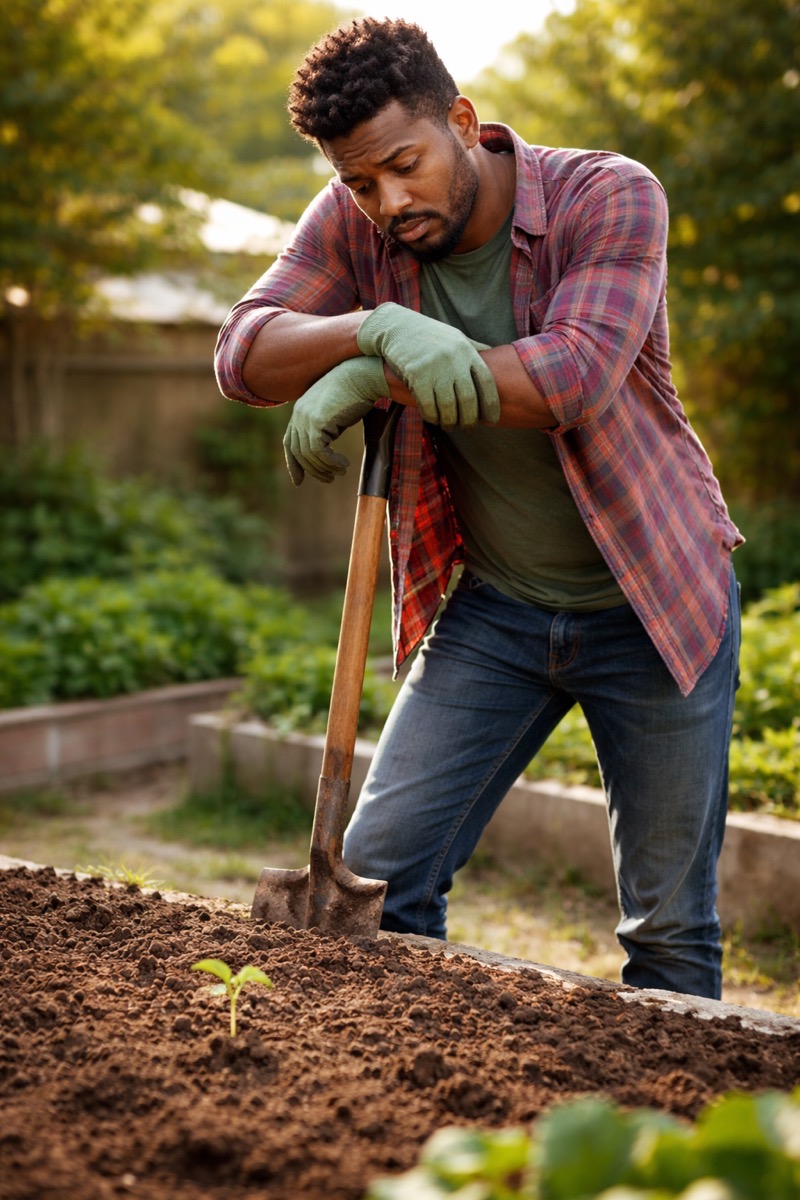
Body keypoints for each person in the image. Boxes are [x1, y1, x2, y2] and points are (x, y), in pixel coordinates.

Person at [215, 18, 743, 999]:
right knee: (379, 876)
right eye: (360, 181)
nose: (387, 200)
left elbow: (573, 376)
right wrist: (371, 326)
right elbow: (240, 354)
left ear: (460, 119)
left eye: (404, 165)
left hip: (654, 597)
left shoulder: (607, 193)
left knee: (668, 924)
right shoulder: (353, 216)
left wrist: (368, 374)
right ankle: (416, 1101)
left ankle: (673, 1143)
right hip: (495, 608)